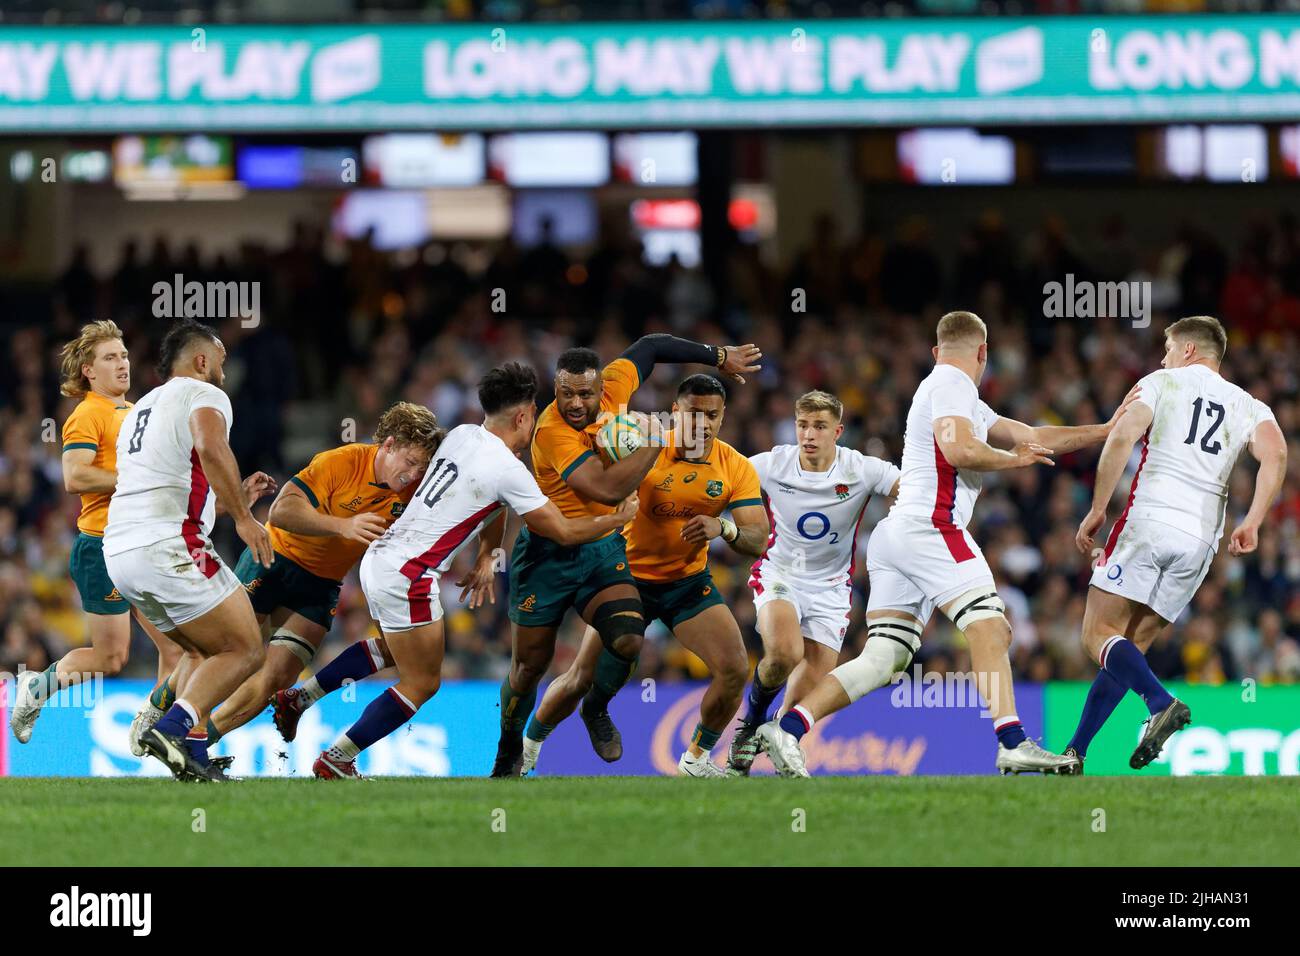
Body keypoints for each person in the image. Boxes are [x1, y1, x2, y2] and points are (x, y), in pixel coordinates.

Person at [759, 311, 1135, 777]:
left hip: (896, 535)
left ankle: (789, 728)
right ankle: (1013, 742)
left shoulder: (957, 396)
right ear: (983, 354)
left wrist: (1106, 430)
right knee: (991, 628)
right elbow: (961, 451)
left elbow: (1035, 436)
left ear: (938, 351)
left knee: (885, 656)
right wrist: (1013, 462)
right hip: (931, 527)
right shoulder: (952, 385)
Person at [491, 335, 761, 776]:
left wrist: (720, 356)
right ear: (675, 412)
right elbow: (606, 488)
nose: (576, 403)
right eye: (566, 394)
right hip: (588, 559)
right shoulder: (562, 434)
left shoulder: (731, 464)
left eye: (711, 416)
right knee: (561, 673)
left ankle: (688, 756)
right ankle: (526, 746)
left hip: (679, 580)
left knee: (726, 666)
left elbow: (651, 345)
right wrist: (652, 443)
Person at [1067, 315, 1285, 771]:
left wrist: (1097, 508)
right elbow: (1277, 453)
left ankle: (1160, 701)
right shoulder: (1249, 405)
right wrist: (1255, 520)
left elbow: (1123, 435)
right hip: (1201, 541)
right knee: (1130, 648)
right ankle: (1076, 752)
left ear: (1188, 350)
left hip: (1150, 520)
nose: (1162, 356)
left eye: (1167, 348)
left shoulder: (1162, 381)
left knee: (1096, 636)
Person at [726, 389, 901, 776]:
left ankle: (769, 756)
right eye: (803, 424)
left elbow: (910, 491)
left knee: (798, 708)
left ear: (837, 431)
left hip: (831, 589)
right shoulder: (773, 464)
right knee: (784, 654)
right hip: (780, 574)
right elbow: (722, 474)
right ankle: (751, 723)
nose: (809, 434)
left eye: (819, 426)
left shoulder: (861, 469)